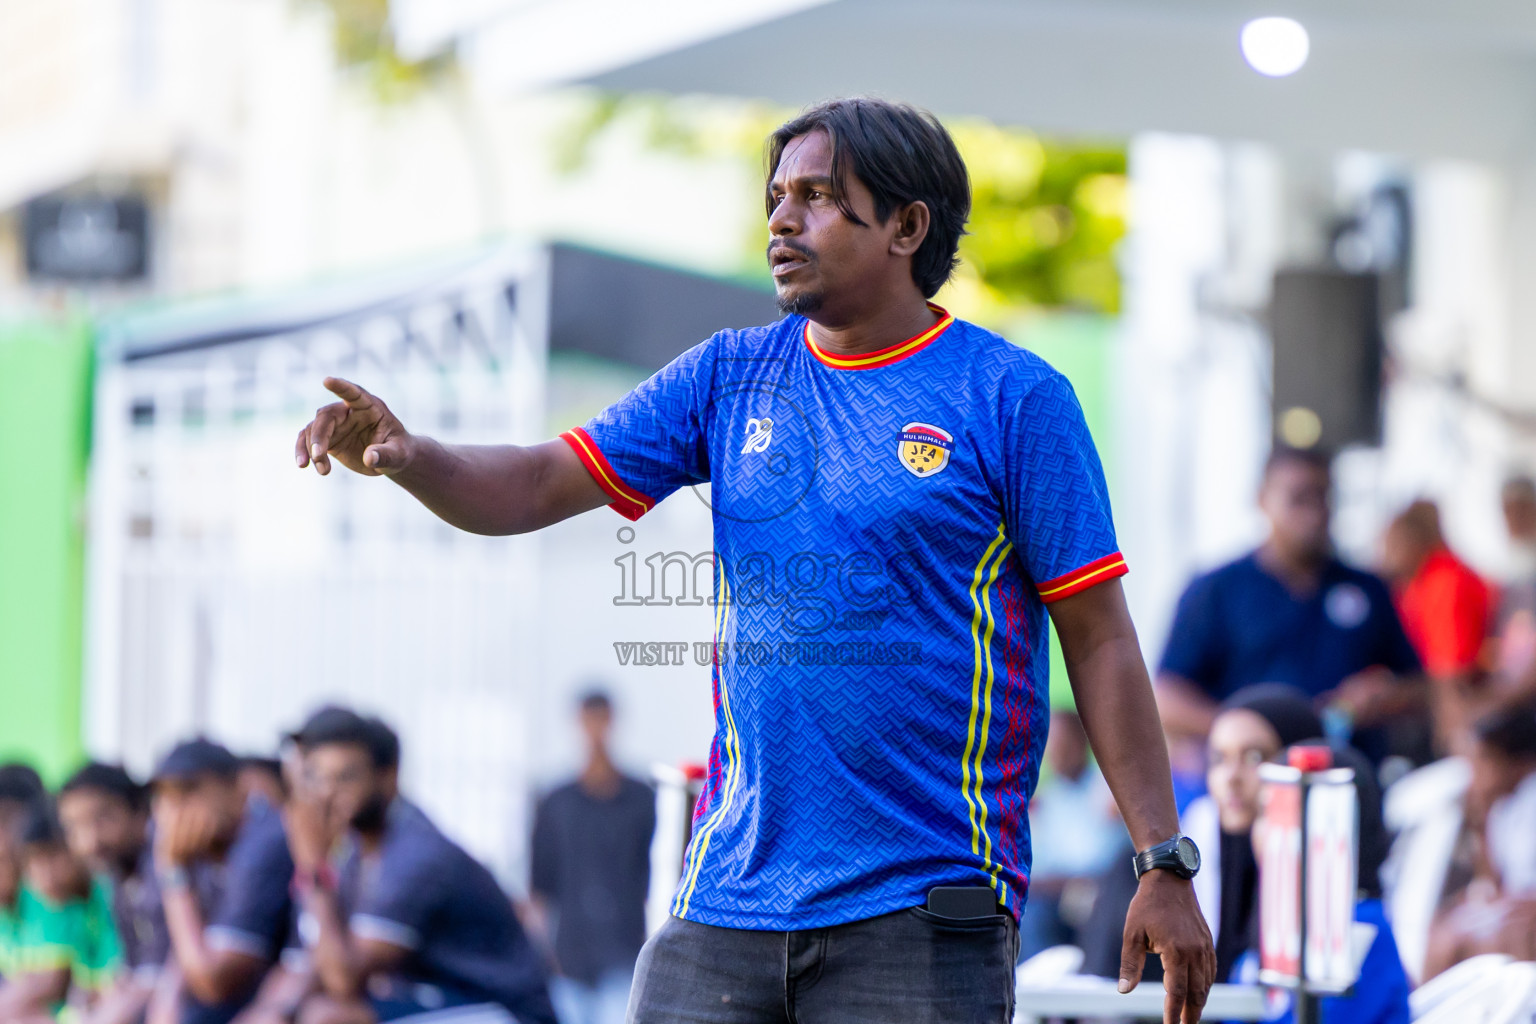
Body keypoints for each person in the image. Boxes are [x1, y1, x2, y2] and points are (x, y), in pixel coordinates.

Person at [295, 97, 1214, 1024]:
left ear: (907, 226)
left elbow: (1098, 641)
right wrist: (414, 460)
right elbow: (535, 484)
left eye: (818, 196)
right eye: (776, 195)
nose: (781, 218)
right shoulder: (728, 375)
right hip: (727, 903)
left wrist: (1161, 859)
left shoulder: (1012, 396)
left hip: (924, 910)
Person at [281, 706, 556, 1024]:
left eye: (346, 777)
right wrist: (270, 1012)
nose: (328, 794)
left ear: (388, 777)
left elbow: (343, 978)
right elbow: (312, 965)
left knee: (328, 1018)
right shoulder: (356, 851)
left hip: (503, 1009)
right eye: (319, 778)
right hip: (440, 1001)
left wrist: (314, 868)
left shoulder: (416, 853)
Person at [1156, 446, 1424, 764]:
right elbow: (1165, 698)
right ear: (1262, 500)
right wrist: (1245, 731)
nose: (1314, 513)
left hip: (1346, 776)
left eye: (1323, 497)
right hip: (1249, 781)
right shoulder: (1217, 589)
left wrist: (1384, 695)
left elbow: (1421, 687)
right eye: (1298, 499)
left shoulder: (1367, 588)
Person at [1182, 687, 1410, 1024]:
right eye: (1265, 815)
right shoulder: (1270, 928)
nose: (1273, 836)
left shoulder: (1359, 931)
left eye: (1284, 817)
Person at [529, 691, 654, 1024]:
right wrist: (542, 954)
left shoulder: (641, 799)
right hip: (568, 959)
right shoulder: (556, 802)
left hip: (624, 955)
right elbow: (539, 888)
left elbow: (653, 878)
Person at [150, 738, 294, 1024]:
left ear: (239, 789)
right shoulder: (201, 846)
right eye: (165, 797)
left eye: (189, 792)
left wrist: (174, 873)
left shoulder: (266, 841)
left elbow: (212, 981)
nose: (176, 810)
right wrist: (167, 999)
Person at [1423, 700, 1536, 974]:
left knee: (1504, 935)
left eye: (1485, 759)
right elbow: (1494, 881)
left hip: (1526, 909)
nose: (1476, 772)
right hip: (1515, 904)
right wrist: (1480, 820)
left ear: (1519, 764)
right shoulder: (1500, 806)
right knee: (1445, 927)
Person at [58, 762, 170, 1024]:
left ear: (140, 811)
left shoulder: (166, 864)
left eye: (103, 818)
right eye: (74, 826)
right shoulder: (115, 877)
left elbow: (159, 977)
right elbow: (132, 972)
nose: (89, 841)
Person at [1016, 709, 1123, 960]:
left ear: (1083, 742)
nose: (1057, 753)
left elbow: (1104, 856)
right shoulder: (1045, 800)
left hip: (1103, 888)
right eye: (1052, 745)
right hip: (1058, 892)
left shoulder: (1107, 789)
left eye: (1064, 744)